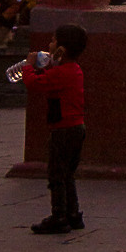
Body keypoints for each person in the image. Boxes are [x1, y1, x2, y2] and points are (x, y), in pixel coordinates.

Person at [28, 24, 89, 235]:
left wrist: (28, 67)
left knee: (56, 175)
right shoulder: (74, 70)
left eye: (53, 41)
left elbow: (34, 84)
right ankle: (73, 213)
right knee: (68, 174)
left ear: (61, 48)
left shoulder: (62, 72)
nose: (49, 44)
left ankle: (59, 216)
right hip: (77, 128)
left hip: (62, 130)